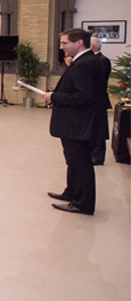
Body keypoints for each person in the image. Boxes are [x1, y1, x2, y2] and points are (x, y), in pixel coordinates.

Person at [43, 28, 104, 215]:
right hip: (76, 123)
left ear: (79, 43)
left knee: (80, 162)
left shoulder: (85, 64)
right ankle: (72, 192)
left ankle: (82, 203)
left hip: (79, 123)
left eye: (64, 43)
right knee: (73, 160)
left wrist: (54, 97)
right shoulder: (83, 61)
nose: (61, 47)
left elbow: (84, 97)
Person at [89, 37, 111, 165]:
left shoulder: (102, 60)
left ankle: (98, 155)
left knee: (98, 128)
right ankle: (90, 152)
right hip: (90, 100)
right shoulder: (91, 60)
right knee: (91, 127)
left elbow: (98, 79)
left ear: (92, 46)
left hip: (98, 100)